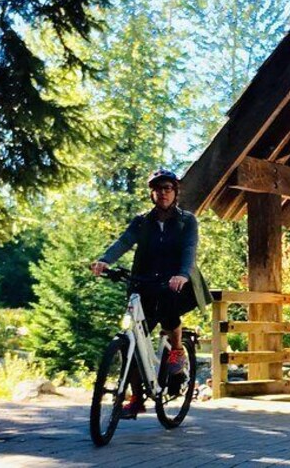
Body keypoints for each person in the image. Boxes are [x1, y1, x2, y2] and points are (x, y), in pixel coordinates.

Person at [90, 169, 211, 418]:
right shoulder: (142, 221)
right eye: (158, 189)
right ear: (152, 194)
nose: (163, 193)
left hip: (176, 280)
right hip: (144, 281)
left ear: (175, 192)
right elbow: (124, 242)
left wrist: (182, 275)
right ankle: (136, 399)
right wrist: (104, 261)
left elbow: (189, 249)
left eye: (168, 188)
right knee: (132, 341)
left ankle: (176, 349)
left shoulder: (187, 220)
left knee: (169, 314)